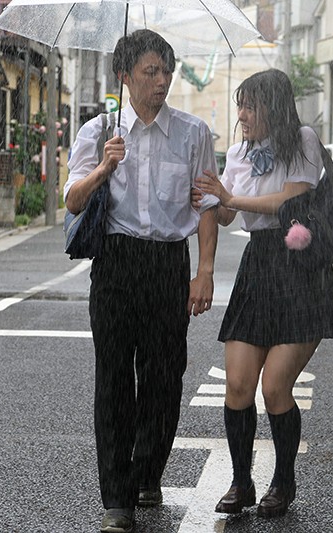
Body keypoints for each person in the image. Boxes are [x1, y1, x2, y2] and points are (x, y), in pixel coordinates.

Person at [64, 29, 219, 533]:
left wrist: (204, 271)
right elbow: (73, 200)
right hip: (116, 261)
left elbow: (208, 206)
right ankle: (117, 499)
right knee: (113, 379)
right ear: (124, 76)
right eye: (150, 71)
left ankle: (147, 471)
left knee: (164, 377)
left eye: (166, 71)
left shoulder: (193, 133)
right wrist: (103, 167)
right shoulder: (98, 132)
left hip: (168, 263)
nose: (161, 81)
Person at [193, 69, 333, 518]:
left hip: (299, 266)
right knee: (238, 383)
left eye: (250, 106)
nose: (242, 115)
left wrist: (231, 199)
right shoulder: (239, 152)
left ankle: (283, 480)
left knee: (275, 386)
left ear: (273, 108)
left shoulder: (303, 141)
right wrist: (207, 196)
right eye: (240, 105)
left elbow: (288, 201)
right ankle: (241, 482)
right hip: (257, 264)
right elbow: (227, 214)